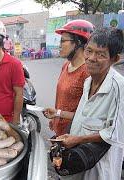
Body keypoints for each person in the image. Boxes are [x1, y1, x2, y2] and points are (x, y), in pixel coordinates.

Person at [45, 28, 124, 180]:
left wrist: (78, 140)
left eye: (101, 54)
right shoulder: (88, 82)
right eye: (89, 51)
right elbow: (81, 117)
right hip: (78, 163)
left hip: (100, 169)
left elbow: (114, 134)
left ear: (114, 59)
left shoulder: (119, 87)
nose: (91, 58)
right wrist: (62, 124)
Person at [44, 20, 94, 136]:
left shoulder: (87, 72)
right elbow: (61, 98)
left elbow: (89, 116)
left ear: (78, 43)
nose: (59, 45)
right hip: (60, 131)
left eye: (63, 41)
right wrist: (55, 117)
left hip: (74, 136)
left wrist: (58, 113)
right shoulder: (66, 66)